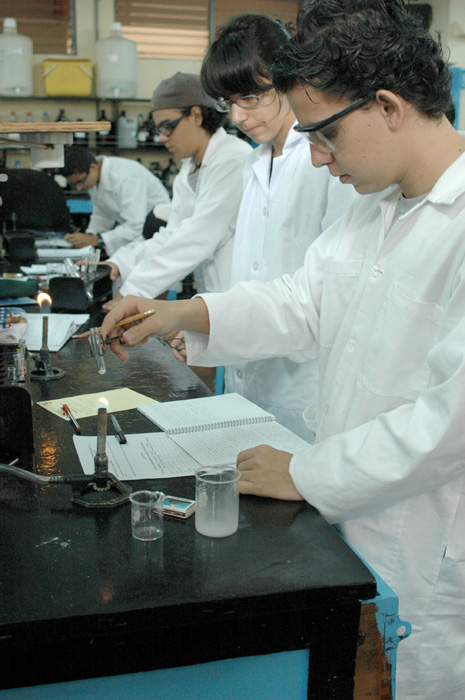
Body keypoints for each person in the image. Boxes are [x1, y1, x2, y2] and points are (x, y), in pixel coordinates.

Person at [101, 2, 465, 697]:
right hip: (355, 516)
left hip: (431, 552)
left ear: (386, 105)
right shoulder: (374, 207)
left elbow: (446, 425)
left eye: (323, 134)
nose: (317, 158)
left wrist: (305, 472)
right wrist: (181, 307)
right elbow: (300, 301)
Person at [183, 13, 357, 437]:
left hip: (305, 385)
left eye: (251, 97)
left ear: (286, 79)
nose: (239, 117)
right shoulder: (252, 162)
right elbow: (250, 273)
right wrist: (212, 324)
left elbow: (329, 292)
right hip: (247, 374)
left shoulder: (326, 159)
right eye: (228, 103)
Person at [101, 72, 252, 308]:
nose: (162, 138)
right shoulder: (189, 170)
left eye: (167, 127)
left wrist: (134, 291)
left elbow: (198, 237)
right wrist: (120, 263)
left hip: (241, 297)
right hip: (216, 299)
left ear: (196, 115)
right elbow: (172, 235)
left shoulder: (233, 158)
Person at [61, 146, 170, 256]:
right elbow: (102, 214)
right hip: (137, 233)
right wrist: (89, 235)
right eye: (73, 184)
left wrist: (96, 240)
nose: (79, 188)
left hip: (157, 231)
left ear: (93, 167)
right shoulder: (96, 177)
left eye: (80, 181)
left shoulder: (125, 177)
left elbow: (136, 226)